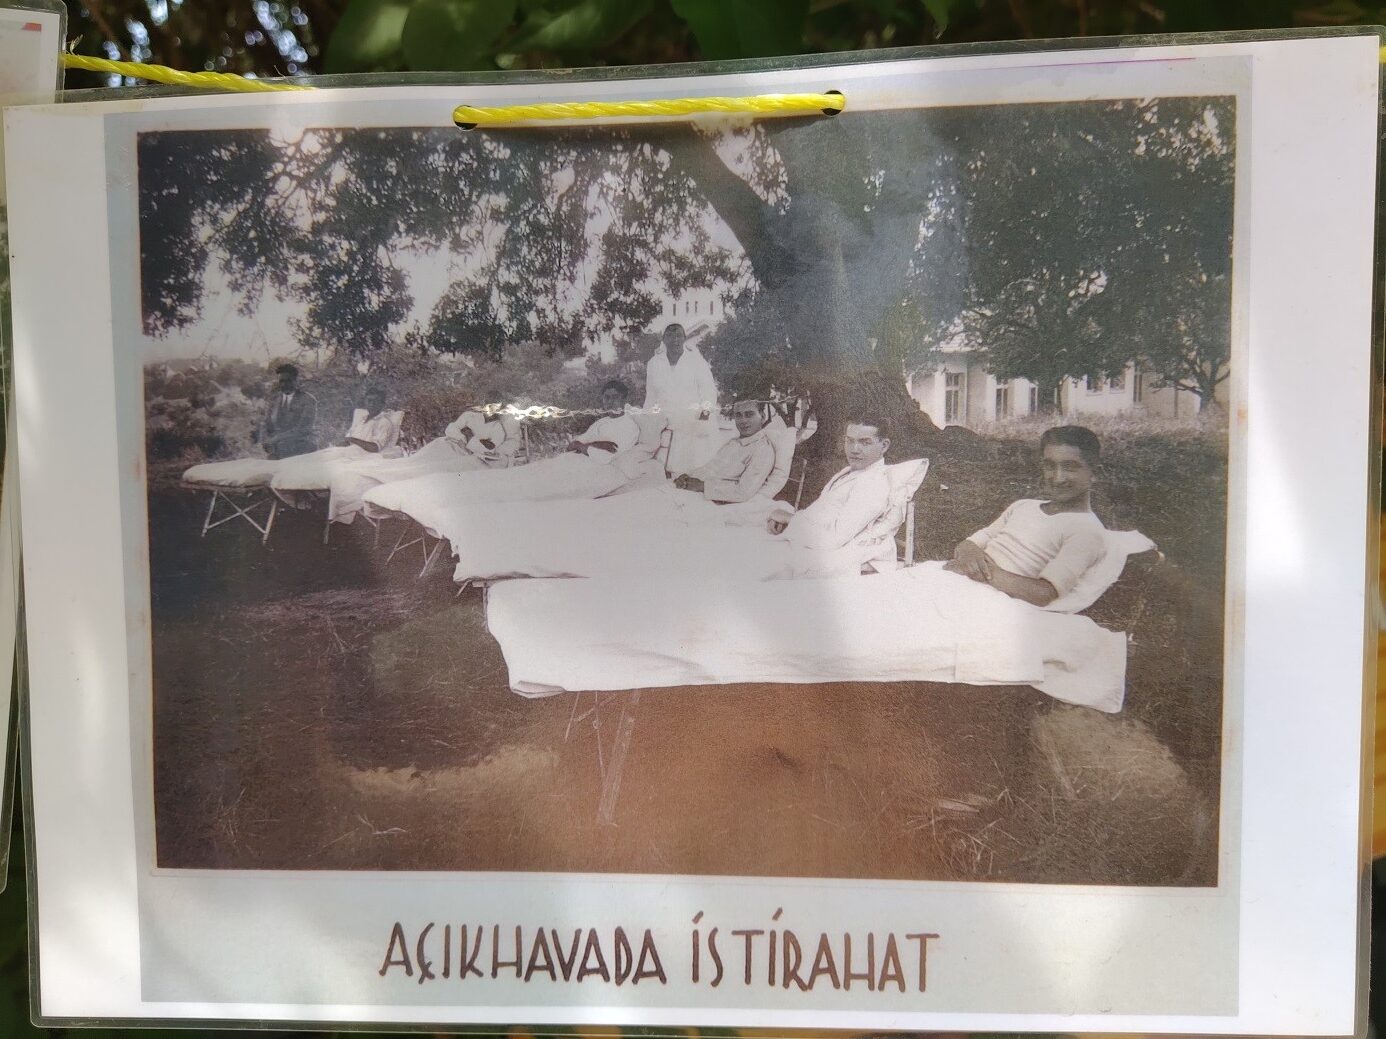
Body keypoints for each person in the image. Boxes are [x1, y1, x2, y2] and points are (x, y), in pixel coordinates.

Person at [945, 425, 1107, 607]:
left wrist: (981, 572)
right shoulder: (1024, 506)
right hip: (959, 580)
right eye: (1050, 466)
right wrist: (969, 554)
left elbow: (1044, 593)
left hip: (991, 599)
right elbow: (971, 543)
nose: (1058, 478)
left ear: (1095, 473)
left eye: (1070, 467)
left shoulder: (1087, 530)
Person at [766, 415, 894, 553]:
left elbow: (832, 539)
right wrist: (784, 520)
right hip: (803, 540)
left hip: (821, 553)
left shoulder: (873, 484)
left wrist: (789, 519)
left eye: (865, 443)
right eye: (849, 441)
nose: (855, 449)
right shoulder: (851, 472)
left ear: (884, 445)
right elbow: (820, 515)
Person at [643, 322, 719, 475]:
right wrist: (648, 423)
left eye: (678, 335)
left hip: (695, 422)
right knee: (668, 472)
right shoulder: (654, 363)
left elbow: (709, 392)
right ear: (663, 339)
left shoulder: (696, 361)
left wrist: (704, 417)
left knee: (698, 469)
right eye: (670, 336)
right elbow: (651, 396)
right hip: (667, 423)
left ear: (684, 338)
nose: (675, 340)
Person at [672, 398, 775, 503]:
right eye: (738, 415)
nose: (743, 420)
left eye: (749, 415)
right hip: (694, 492)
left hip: (713, 501)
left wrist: (703, 486)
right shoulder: (734, 442)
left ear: (762, 417)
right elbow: (710, 468)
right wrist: (688, 476)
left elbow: (743, 492)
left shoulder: (762, 449)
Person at [259, 363, 317, 459]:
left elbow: (302, 429)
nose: (284, 384)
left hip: (301, 447)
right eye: (281, 381)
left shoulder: (308, 400)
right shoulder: (273, 399)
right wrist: (264, 441)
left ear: (296, 380)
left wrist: (276, 439)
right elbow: (266, 423)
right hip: (277, 448)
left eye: (288, 381)